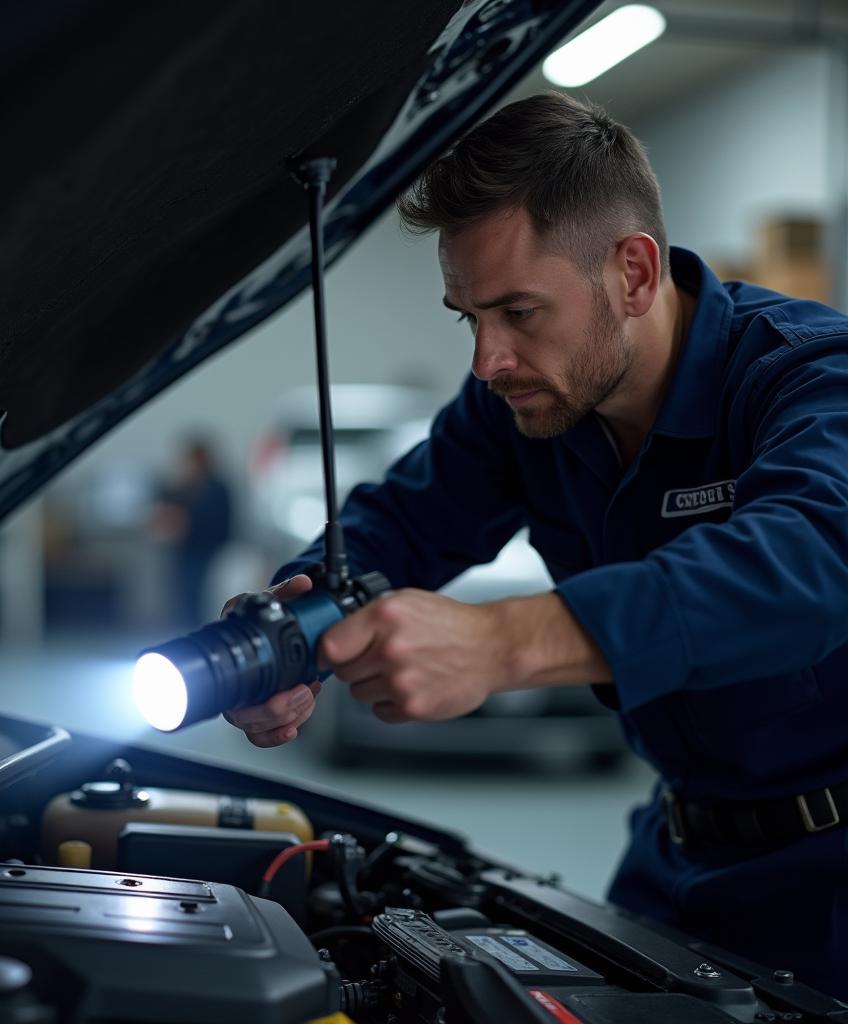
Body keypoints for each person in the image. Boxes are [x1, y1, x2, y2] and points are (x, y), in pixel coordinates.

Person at [223, 92, 848, 997]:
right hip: (676, 857)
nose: (487, 360)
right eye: (467, 317)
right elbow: (396, 525)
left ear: (633, 274)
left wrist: (500, 641)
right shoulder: (524, 407)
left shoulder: (809, 377)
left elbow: (810, 564)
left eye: (519, 311)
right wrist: (294, 624)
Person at [153, 436, 233, 630]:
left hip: (208, 552)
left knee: (200, 599)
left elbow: (216, 521)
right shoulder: (187, 486)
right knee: (183, 598)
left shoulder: (216, 487)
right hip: (186, 552)